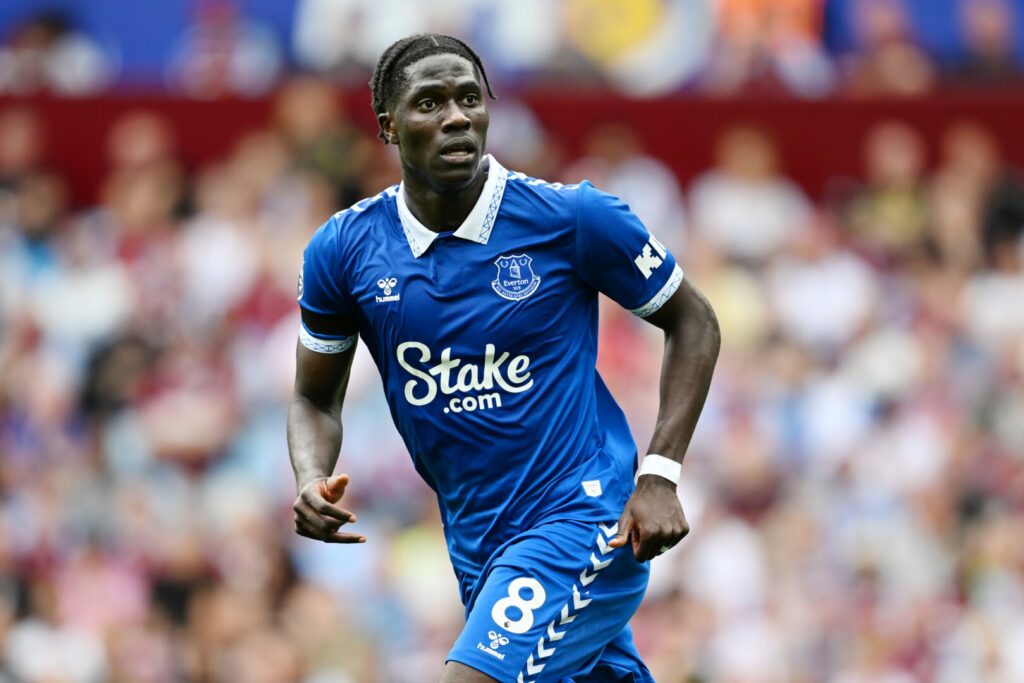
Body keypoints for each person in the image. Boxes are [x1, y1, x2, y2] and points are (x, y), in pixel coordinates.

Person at [287, 33, 720, 682]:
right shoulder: (344, 250)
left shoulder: (572, 218)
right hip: (479, 541)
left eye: (469, 98)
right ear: (388, 127)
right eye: (430, 102)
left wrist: (659, 472)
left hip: (585, 514)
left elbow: (694, 320)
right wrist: (310, 473)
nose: (457, 115)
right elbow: (314, 396)